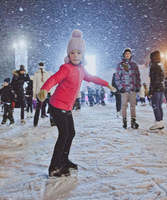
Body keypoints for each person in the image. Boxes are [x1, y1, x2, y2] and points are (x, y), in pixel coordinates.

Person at [37, 29, 116, 177]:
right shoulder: (66, 68)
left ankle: (64, 160)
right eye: (72, 52)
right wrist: (44, 89)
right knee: (64, 135)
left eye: (78, 53)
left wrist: (107, 84)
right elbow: (54, 78)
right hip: (57, 106)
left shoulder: (81, 69)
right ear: (68, 54)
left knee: (71, 133)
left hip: (66, 107)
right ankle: (54, 167)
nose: (75, 55)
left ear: (82, 55)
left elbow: (92, 78)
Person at [115, 48, 141, 129]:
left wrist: (138, 86)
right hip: (124, 89)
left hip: (132, 89)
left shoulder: (134, 65)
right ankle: (124, 121)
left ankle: (133, 121)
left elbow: (137, 77)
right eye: (126, 54)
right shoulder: (120, 65)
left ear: (131, 55)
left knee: (133, 106)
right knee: (124, 106)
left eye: (129, 54)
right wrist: (120, 87)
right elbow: (117, 78)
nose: (127, 55)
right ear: (124, 55)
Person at [148, 51, 165, 130]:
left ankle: (158, 123)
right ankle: (160, 122)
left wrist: (151, 91)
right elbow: (160, 79)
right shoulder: (159, 66)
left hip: (156, 89)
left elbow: (153, 80)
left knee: (155, 106)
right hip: (161, 88)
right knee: (159, 106)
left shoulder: (153, 66)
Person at [33, 62, 51, 126]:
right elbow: (49, 83)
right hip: (46, 91)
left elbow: (34, 85)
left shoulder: (36, 74)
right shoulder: (47, 73)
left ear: (38, 66)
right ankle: (52, 122)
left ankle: (35, 123)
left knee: (38, 108)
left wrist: (34, 94)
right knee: (50, 106)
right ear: (44, 66)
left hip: (39, 92)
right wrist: (50, 92)